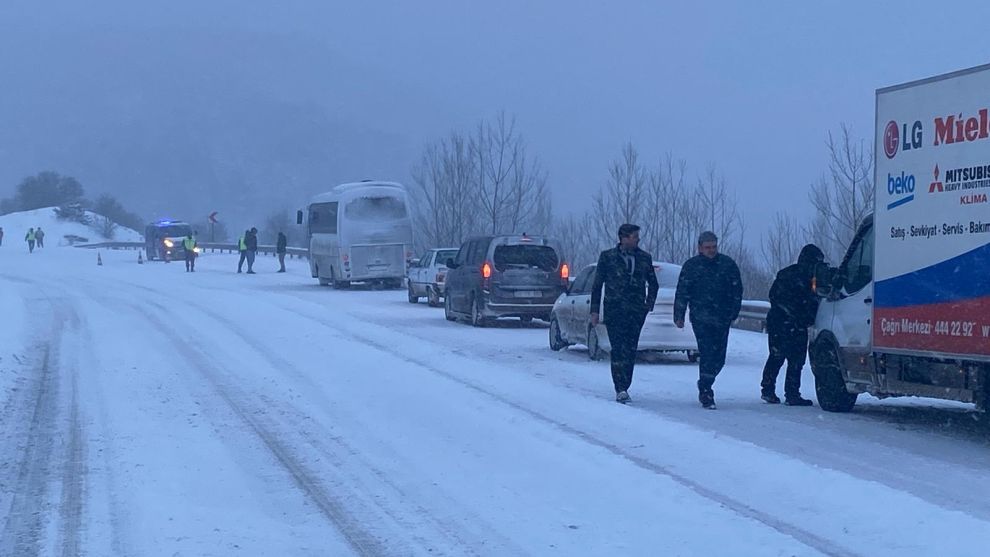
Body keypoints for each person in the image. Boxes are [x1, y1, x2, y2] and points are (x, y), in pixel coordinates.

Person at [590, 224, 659, 404]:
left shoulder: (644, 258)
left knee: (630, 349)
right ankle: (620, 387)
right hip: (615, 310)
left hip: (636, 311)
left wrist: (648, 304)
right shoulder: (608, 257)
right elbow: (597, 285)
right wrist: (595, 310)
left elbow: (653, 283)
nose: (637, 240)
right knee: (618, 349)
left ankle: (625, 383)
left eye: (637, 237)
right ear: (623, 238)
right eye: (634, 236)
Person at [674, 231, 743, 410]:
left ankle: (706, 380)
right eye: (707, 248)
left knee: (719, 357)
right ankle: (706, 391)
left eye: (714, 247)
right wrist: (679, 314)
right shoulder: (691, 266)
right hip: (701, 317)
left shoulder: (727, 264)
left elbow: (737, 289)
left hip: (722, 317)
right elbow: (682, 291)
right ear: (699, 248)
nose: (711, 250)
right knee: (707, 353)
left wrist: (734, 311)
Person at [760, 244, 825, 406]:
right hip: (786, 322)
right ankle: (788, 393)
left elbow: (774, 296)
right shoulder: (802, 278)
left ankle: (773, 390)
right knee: (788, 358)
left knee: (782, 357)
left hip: (785, 322)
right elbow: (778, 297)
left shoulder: (790, 275)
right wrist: (797, 314)